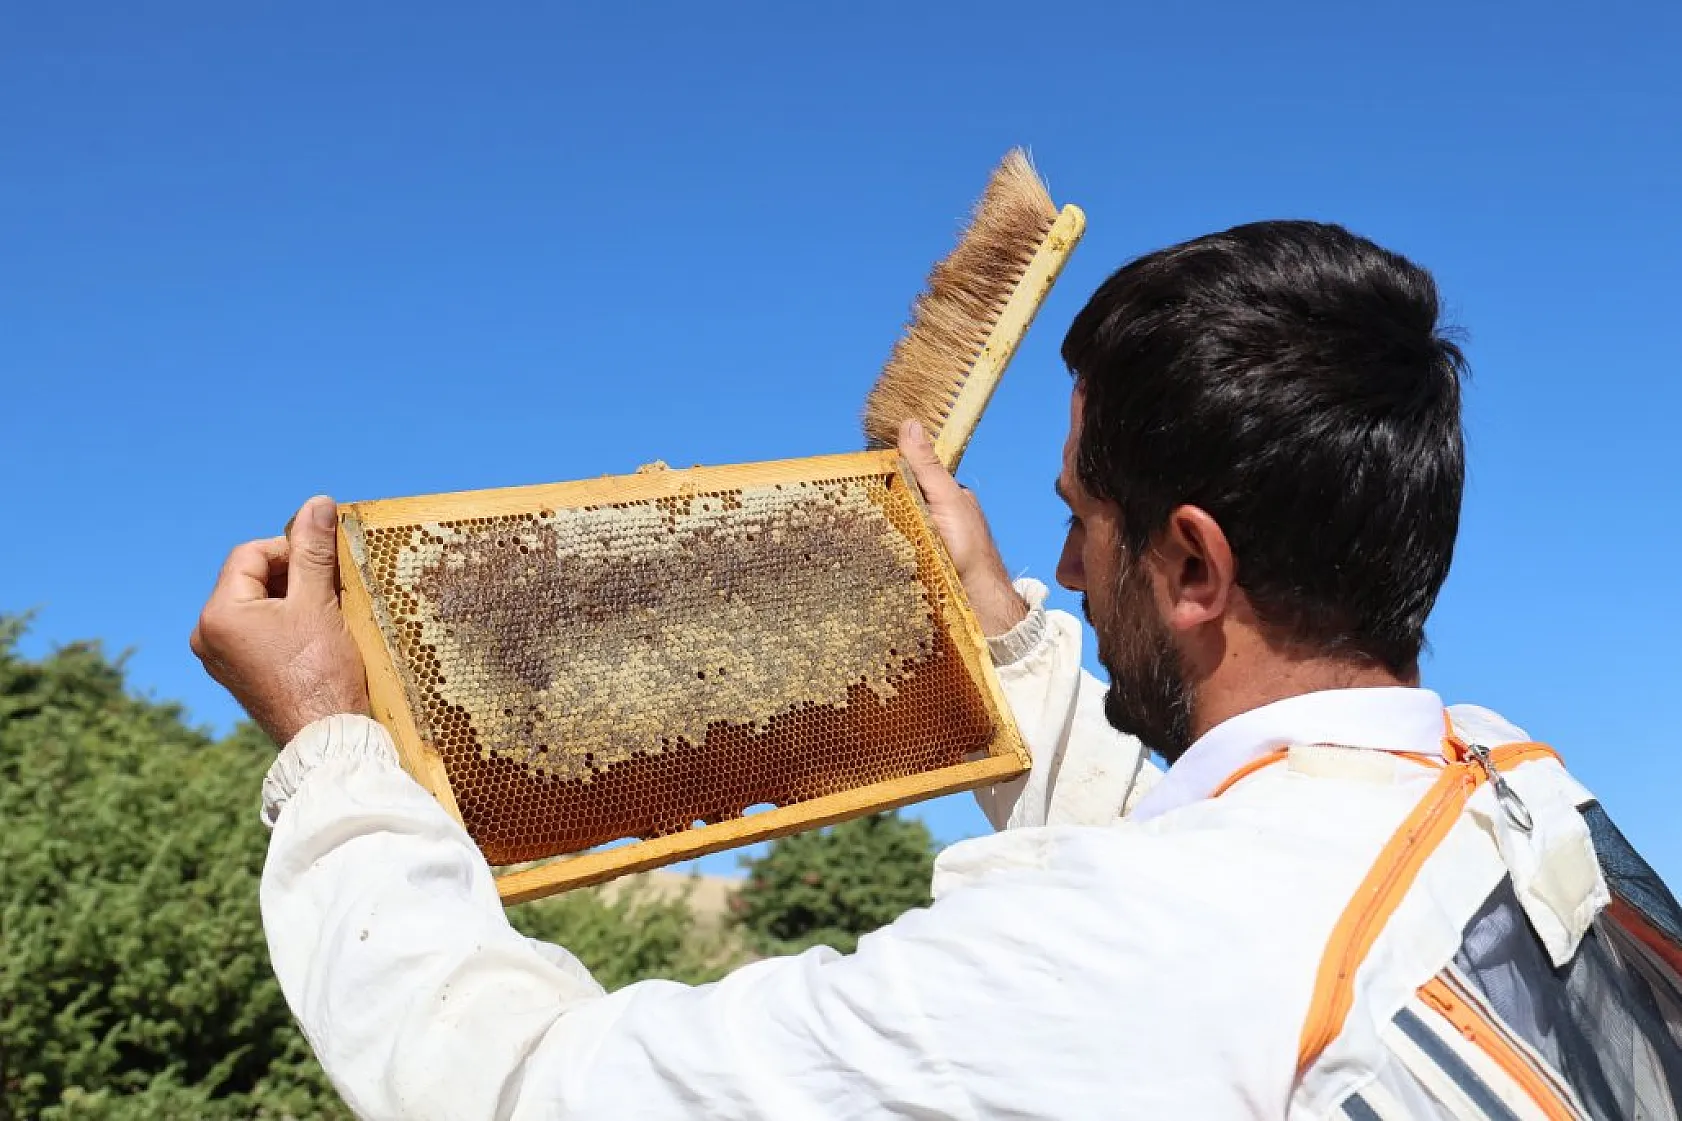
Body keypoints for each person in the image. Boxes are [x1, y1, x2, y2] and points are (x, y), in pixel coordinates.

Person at [193, 220, 1682, 1120]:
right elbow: (1228, 891)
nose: (1061, 562)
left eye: (1075, 519)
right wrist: (1003, 635)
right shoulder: (1499, 789)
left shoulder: (1114, 966)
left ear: (1191, 566)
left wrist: (333, 747)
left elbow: (520, 1089)